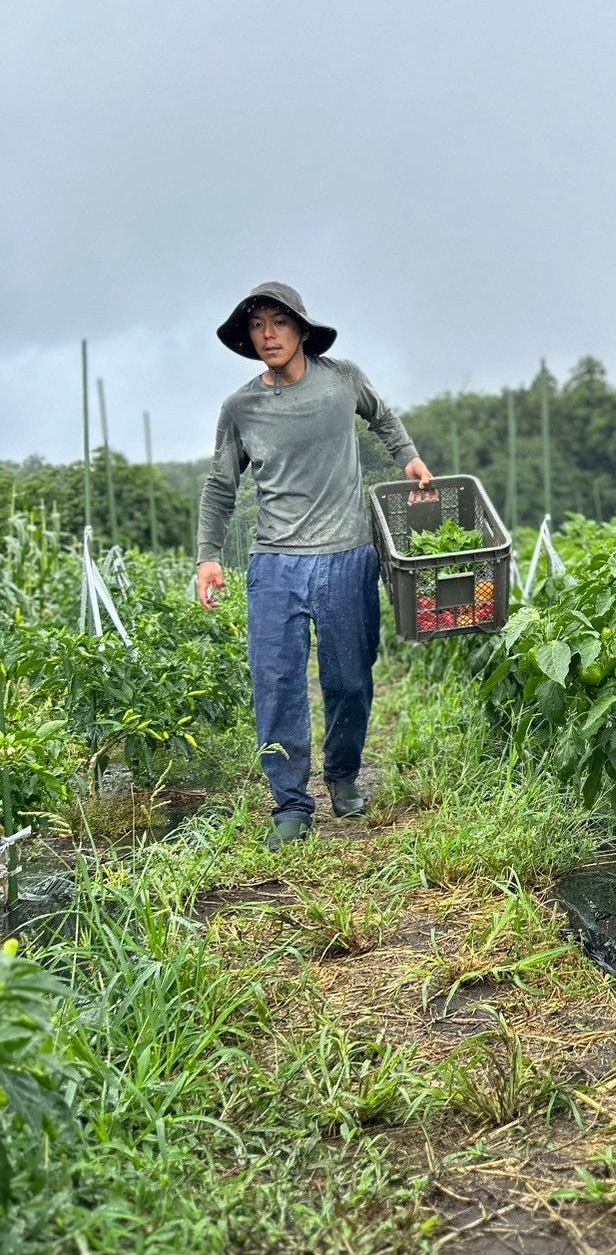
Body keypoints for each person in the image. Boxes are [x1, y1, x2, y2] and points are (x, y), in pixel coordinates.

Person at [196, 281, 432, 850]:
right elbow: (220, 486)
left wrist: (410, 459)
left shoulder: (342, 380)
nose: (268, 335)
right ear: (249, 339)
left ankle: (344, 776)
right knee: (277, 684)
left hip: (349, 555)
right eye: (258, 327)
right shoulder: (240, 407)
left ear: (302, 329)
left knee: (350, 680)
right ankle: (292, 804)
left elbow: (384, 417)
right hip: (275, 562)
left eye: (279, 323)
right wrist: (207, 556)